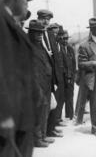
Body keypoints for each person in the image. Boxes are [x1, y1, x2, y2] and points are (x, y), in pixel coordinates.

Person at [0, 0, 35, 157]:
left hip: (21, 121)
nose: (26, 3)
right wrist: (4, 116)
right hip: (9, 126)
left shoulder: (10, 22)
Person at [37, 9, 64, 137]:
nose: (46, 21)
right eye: (43, 18)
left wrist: (58, 77)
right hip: (42, 75)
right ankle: (44, 132)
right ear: (38, 18)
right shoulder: (35, 33)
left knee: (54, 103)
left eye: (48, 19)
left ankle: (51, 129)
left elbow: (56, 57)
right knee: (45, 104)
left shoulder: (50, 34)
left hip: (52, 75)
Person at [27, 20, 54, 148]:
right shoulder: (28, 46)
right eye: (37, 33)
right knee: (38, 111)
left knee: (45, 110)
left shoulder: (40, 45)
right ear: (31, 33)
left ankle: (43, 136)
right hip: (36, 85)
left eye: (41, 33)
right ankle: (37, 139)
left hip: (46, 83)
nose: (40, 36)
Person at [59, 30, 76, 120]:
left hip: (70, 77)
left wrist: (73, 76)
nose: (65, 40)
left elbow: (73, 64)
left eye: (66, 38)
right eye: (63, 39)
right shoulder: (59, 48)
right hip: (63, 77)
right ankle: (58, 118)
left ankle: (70, 115)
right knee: (61, 98)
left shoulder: (70, 49)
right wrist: (66, 76)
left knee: (70, 96)